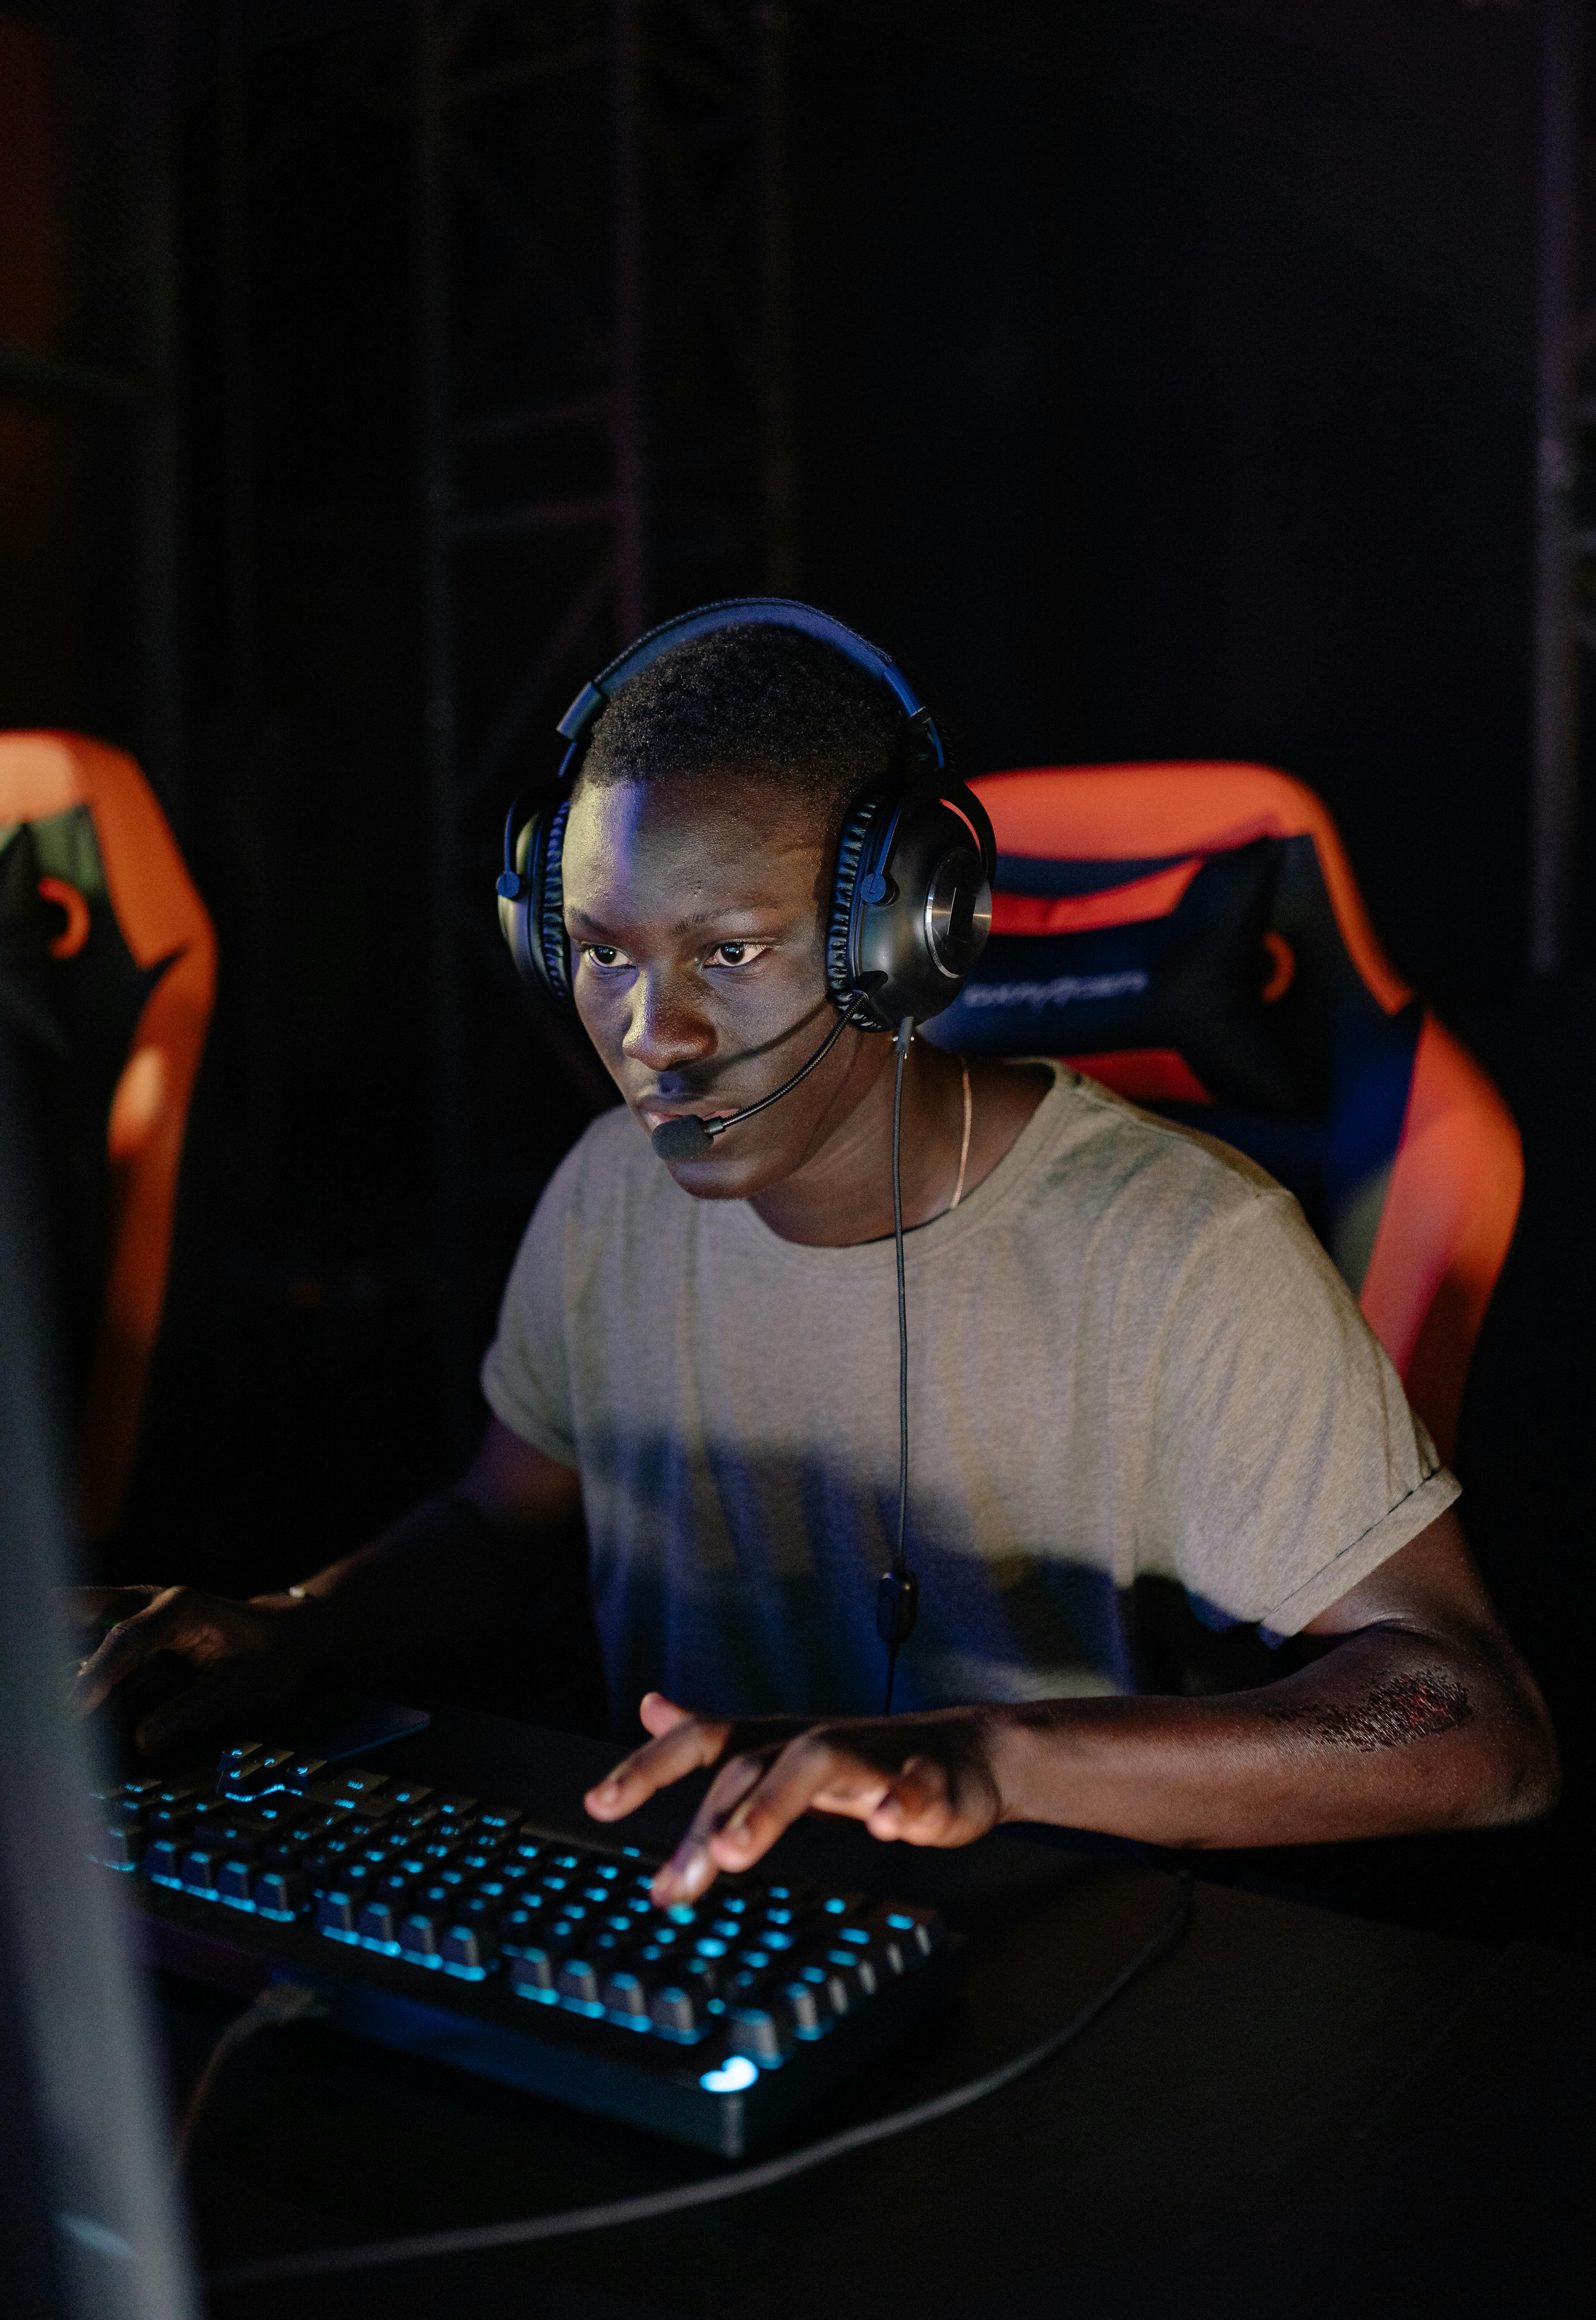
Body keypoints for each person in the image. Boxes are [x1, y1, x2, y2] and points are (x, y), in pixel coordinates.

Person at [77, 620, 1558, 1912]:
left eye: (728, 953)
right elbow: (497, 1519)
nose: (653, 1034)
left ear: (903, 940)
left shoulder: (1181, 1249)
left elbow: (1476, 1730)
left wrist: (992, 1759)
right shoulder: (609, 1195)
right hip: (682, 1916)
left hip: (1054, 1970)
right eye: (602, 952)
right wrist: (302, 1624)